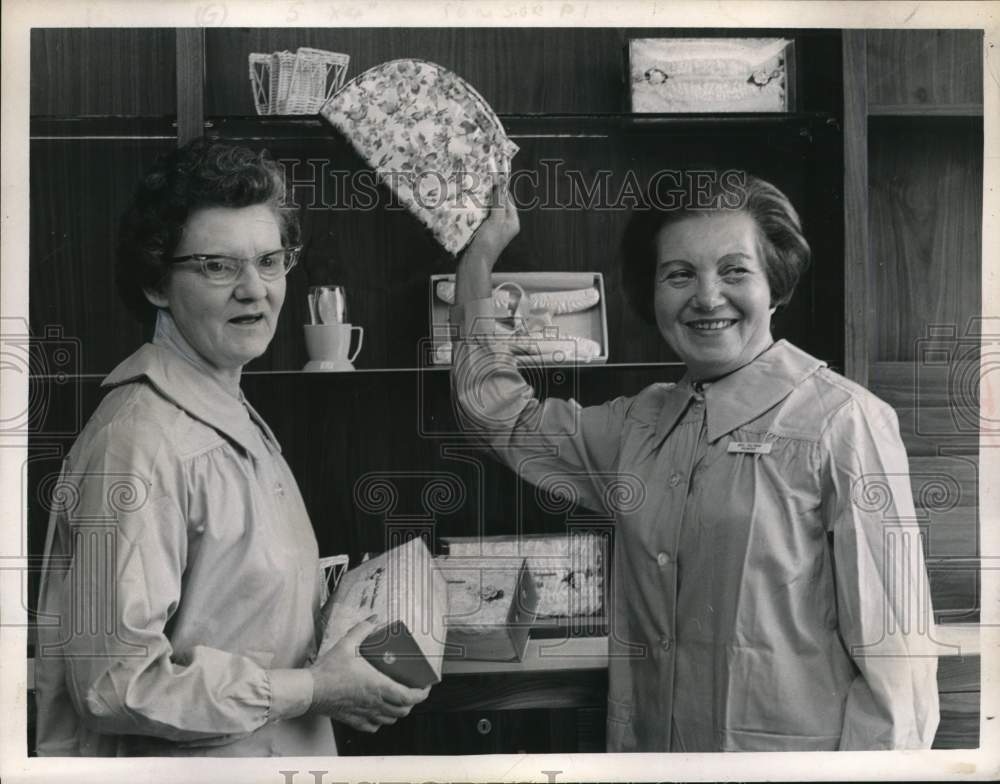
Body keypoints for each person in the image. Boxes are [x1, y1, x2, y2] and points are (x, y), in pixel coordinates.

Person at [450, 173, 940, 752]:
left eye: (735, 271)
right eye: (679, 274)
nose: (707, 297)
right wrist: (477, 260)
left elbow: (898, 678)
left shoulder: (846, 423)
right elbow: (500, 416)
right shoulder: (637, 425)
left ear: (776, 284)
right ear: (652, 295)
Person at [34, 139, 430, 756]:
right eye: (218, 267)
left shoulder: (228, 410)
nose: (254, 290)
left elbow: (236, 616)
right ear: (156, 283)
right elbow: (115, 684)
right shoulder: (139, 441)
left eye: (269, 261)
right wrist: (316, 688)